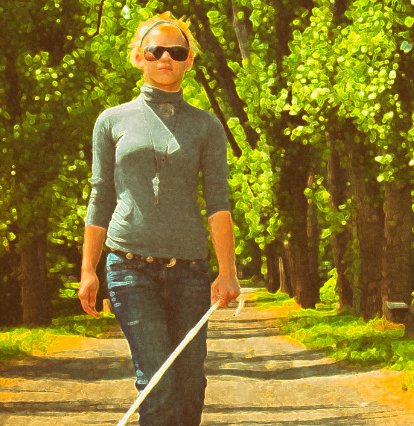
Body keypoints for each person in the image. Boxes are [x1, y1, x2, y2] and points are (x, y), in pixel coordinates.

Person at [77, 11, 241, 426]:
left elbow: (218, 201)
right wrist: (88, 271)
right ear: (139, 57)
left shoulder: (206, 126)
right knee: (157, 384)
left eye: (176, 50)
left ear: (189, 61)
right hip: (129, 269)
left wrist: (227, 272)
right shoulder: (111, 121)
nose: (164, 57)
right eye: (155, 50)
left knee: (190, 383)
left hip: (190, 273)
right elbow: (100, 197)